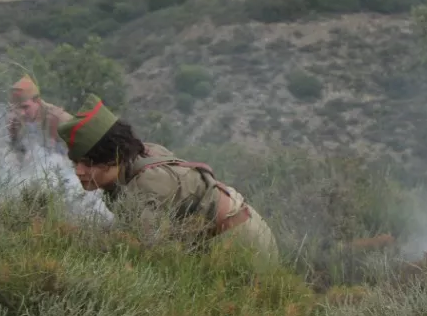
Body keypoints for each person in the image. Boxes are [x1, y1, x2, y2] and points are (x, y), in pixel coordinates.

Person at [56, 96, 278, 260]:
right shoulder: (137, 157)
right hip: (230, 232)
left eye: (89, 162)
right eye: (76, 163)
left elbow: (145, 255)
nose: (79, 171)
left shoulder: (145, 186)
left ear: (112, 155)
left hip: (241, 242)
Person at [7, 75, 69, 154]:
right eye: (17, 108)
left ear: (37, 101)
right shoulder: (14, 122)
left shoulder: (59, 119)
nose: (21, 113)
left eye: (25, 107)